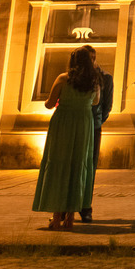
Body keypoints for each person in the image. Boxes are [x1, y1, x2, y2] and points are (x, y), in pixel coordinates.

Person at [33, 46, 101, 231]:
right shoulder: (94, 82)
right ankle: (70, 217)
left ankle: (56, 218)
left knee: (58, 165)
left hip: (63, 123)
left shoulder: (63, 78)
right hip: (84, 124)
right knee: (78, 167)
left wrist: (59, 101)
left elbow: (48, 104)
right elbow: (95, 102)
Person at [79, 45, 114, 223]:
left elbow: (106, 105)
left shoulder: (105, 78)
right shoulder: (74, 78)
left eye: (92, 58)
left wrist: (98, 120)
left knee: (90, 167)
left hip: (93, 125)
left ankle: (86, 206)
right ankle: (68, 206)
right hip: (77, 125)